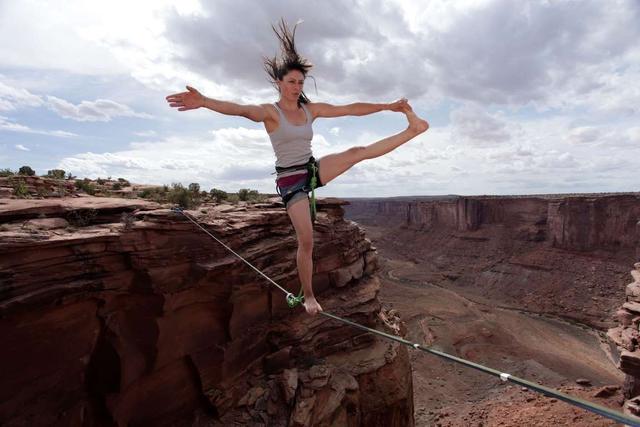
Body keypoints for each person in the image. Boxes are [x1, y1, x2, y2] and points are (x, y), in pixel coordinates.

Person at [166, 18, 428, 316]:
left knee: (357, 152)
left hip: (311, 169)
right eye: (291, 82)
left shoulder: (310, 110)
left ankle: (412, 130)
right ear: (279, 82)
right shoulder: (270, 112)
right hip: (291, 183)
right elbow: (239, 109)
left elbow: (350, 109)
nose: (296, 87)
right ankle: (310, 297)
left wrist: (387, 106)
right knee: (306, 240)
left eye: (300, 82)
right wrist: (204, 101)